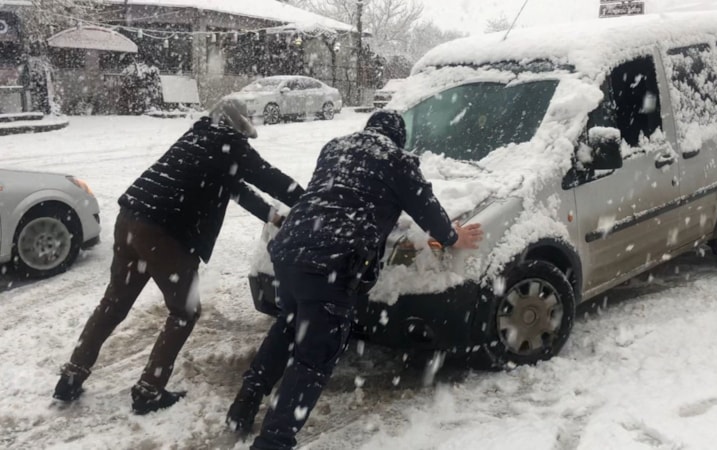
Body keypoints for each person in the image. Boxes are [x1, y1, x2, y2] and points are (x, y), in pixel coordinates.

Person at [226, 110, 484, 449]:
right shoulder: (396, 159)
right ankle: (274, 442)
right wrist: (453, 237)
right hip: (331, 262)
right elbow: (426, 209)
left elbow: (339, 195)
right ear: (398, 137)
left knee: (288, 327)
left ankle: (243, 407)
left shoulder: (336, 148)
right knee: (313, 358)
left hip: (290, 250)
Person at [53, 98, 305, 415]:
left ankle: (71, 376)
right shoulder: (230, 145)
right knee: (185, 311)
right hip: (165, 233)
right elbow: (270, 178)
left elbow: (236, 189)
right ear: (239, 128)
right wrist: (310, 200)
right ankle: (149, 391)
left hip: (130, 219)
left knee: (114, 302)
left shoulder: (197, 137)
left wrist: (276, 218)